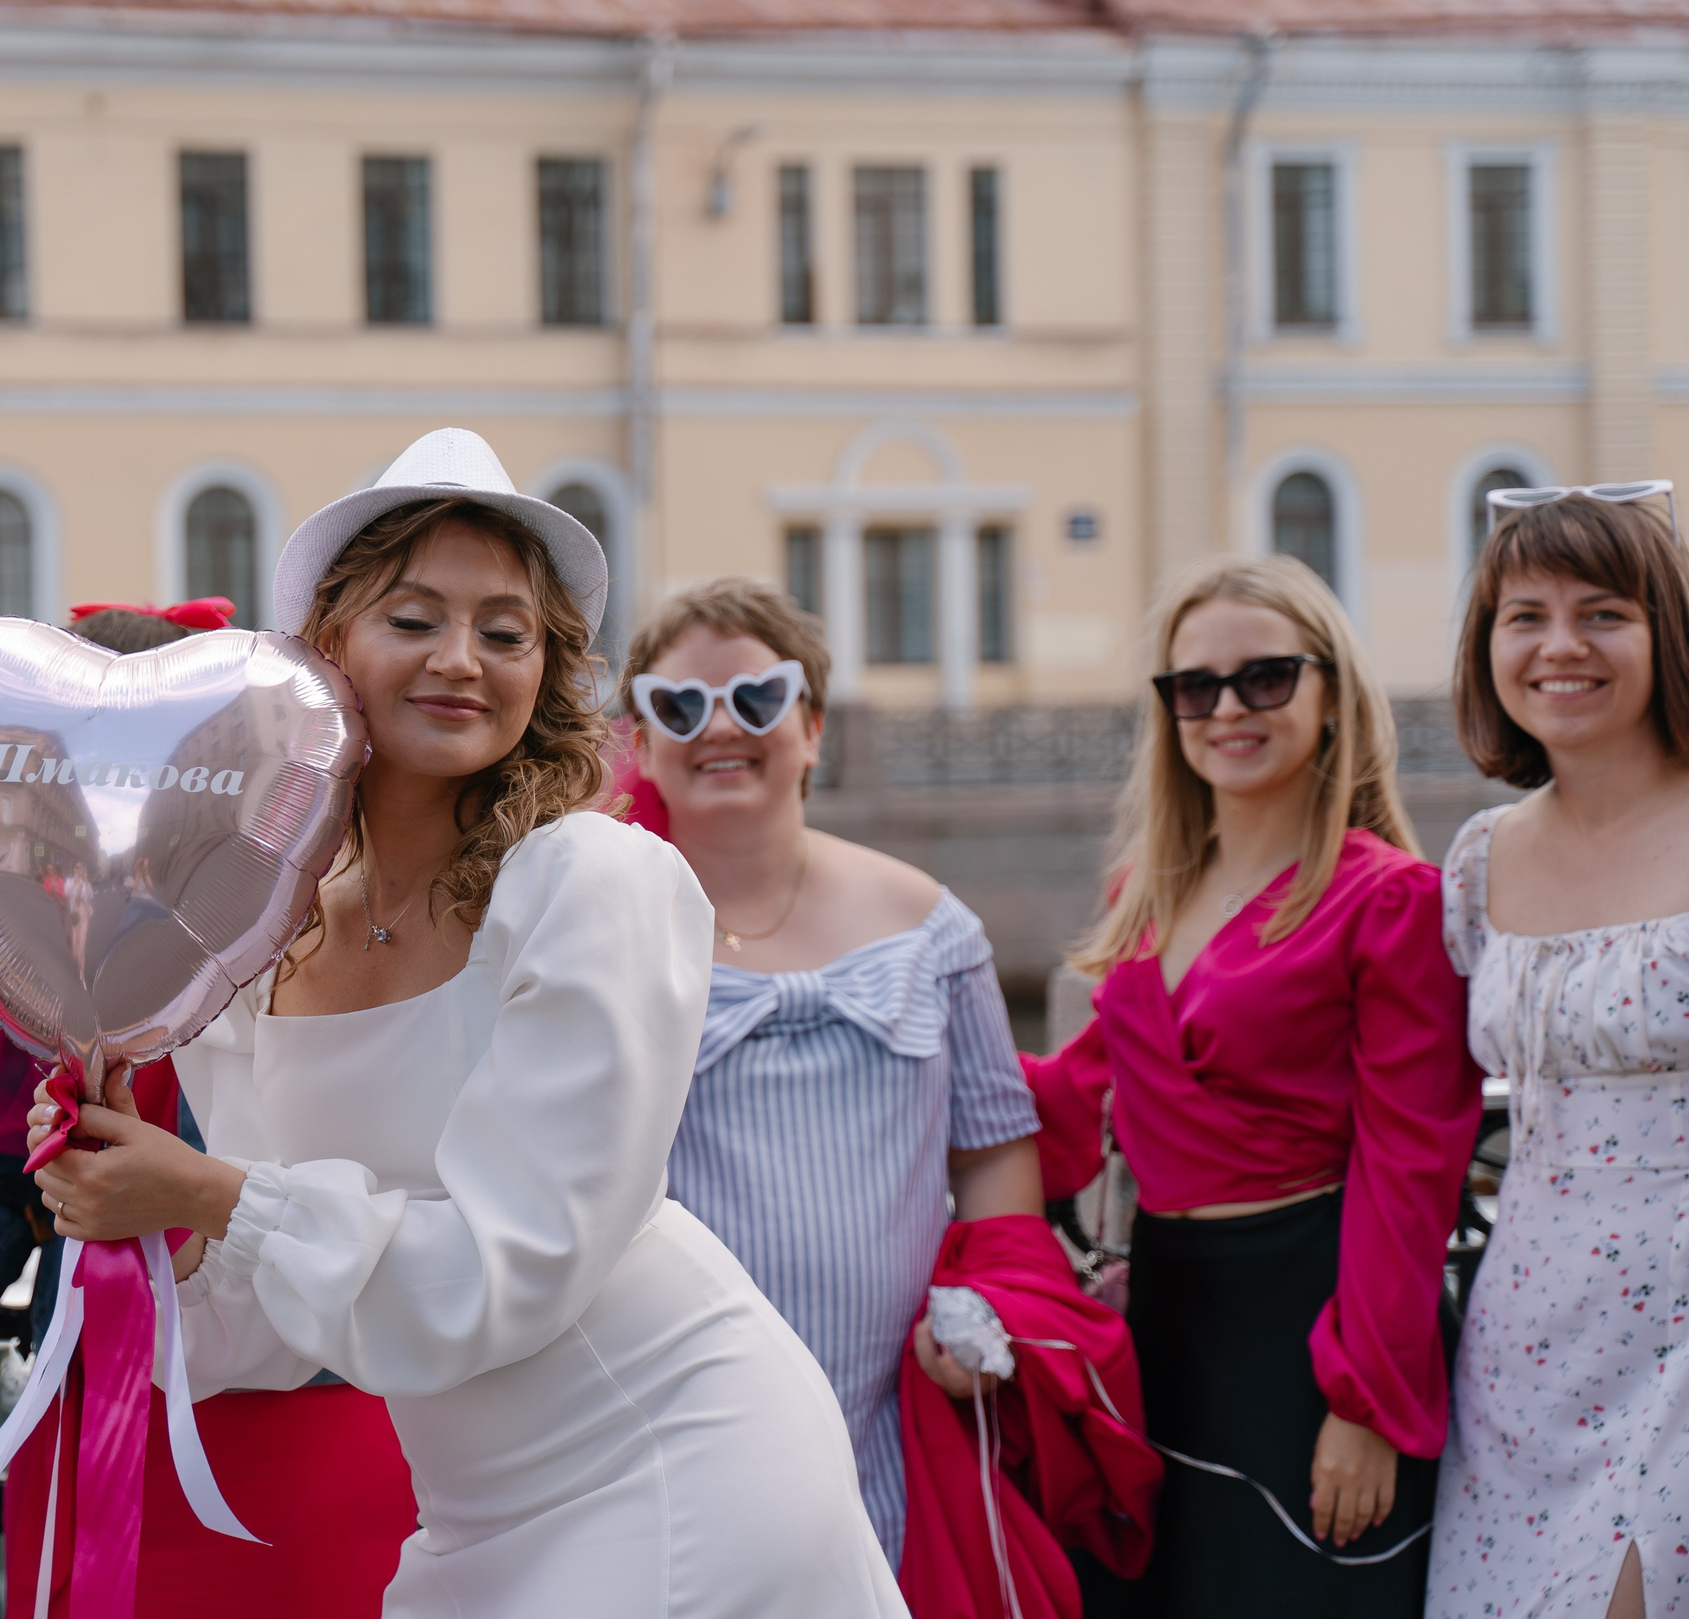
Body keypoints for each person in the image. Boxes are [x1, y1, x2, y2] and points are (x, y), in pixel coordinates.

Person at [25, 428, 905, 1617]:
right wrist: (146, 1204)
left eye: (506, 633)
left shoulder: (593, 886)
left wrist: (205, 1193)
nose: (462, 661)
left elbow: (515, 1267)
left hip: (678, 1455)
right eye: (414, 618)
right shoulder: (249, 933)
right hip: (477, 1512)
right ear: (327, 642)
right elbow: (272, 1331)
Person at [0, 595, 420, 1617]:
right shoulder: (27, 939)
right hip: (93, 1399)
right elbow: (6, 1165)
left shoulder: (313, 921)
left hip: (296, 1406)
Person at [1025, 553, 1482, 1616]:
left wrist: (1365, 1404)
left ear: (1331, 697)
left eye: (1265, 678)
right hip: (1171, 1313)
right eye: (1195, 686)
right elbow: (1070, 1102)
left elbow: (1410, 1165)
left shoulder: (1390, 900)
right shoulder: (1143, 896)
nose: (1227, 708)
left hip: (1314, 1318)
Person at [618, 576, 1046, 1563]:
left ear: (810, 728)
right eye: (680, 706)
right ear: (639, 742)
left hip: (896, 1418)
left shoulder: (931, 925)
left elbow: (991, 1150)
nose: (720, 727)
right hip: (675, 1422)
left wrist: (988, 1304)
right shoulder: (604, 936)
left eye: (756, 699)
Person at [1425, 486, 1689, 1619]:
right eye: (1523, 615)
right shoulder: (1479, 862)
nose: (1560, 646)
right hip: (1525, 1333)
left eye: (1603, 613)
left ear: (1665, 635)